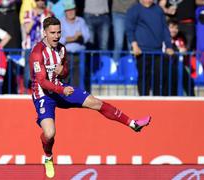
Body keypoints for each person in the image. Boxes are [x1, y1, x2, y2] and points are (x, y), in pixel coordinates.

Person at [29, 16, 151, 178]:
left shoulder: (62, 49)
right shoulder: (37, 52)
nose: (56, 36)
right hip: (44, 95)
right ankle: (48, 157)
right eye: (52, 33)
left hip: (61, 89)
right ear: (44, 33)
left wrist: (62, 72)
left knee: (96, 102)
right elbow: (42, 81)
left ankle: (132, 123)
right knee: (50, 133)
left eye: (59, 32)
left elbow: (65, 71)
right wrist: (61, 89)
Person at [126, 0, 174, 96]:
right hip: (141, 51)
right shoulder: (134, 9)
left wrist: (169, 46)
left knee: (158, 77)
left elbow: (165, 29)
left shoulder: (158, 10)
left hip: (158, 51)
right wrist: (134, 45)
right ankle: (143, 101)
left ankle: (157, 102)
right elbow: (129, 29)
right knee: (144, 77)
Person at [60, 0, 90, 89]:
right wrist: (74, 37)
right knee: (64, 80)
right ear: (65, 12)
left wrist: (77, 37)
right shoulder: (61, 22)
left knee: (78, 81)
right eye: (68, 10)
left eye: (72, 10)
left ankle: (77, 100)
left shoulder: (81, 21)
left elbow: (87, 37)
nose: (71, 12)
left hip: (79, 55)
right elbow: (59, 40)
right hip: (65, 56)